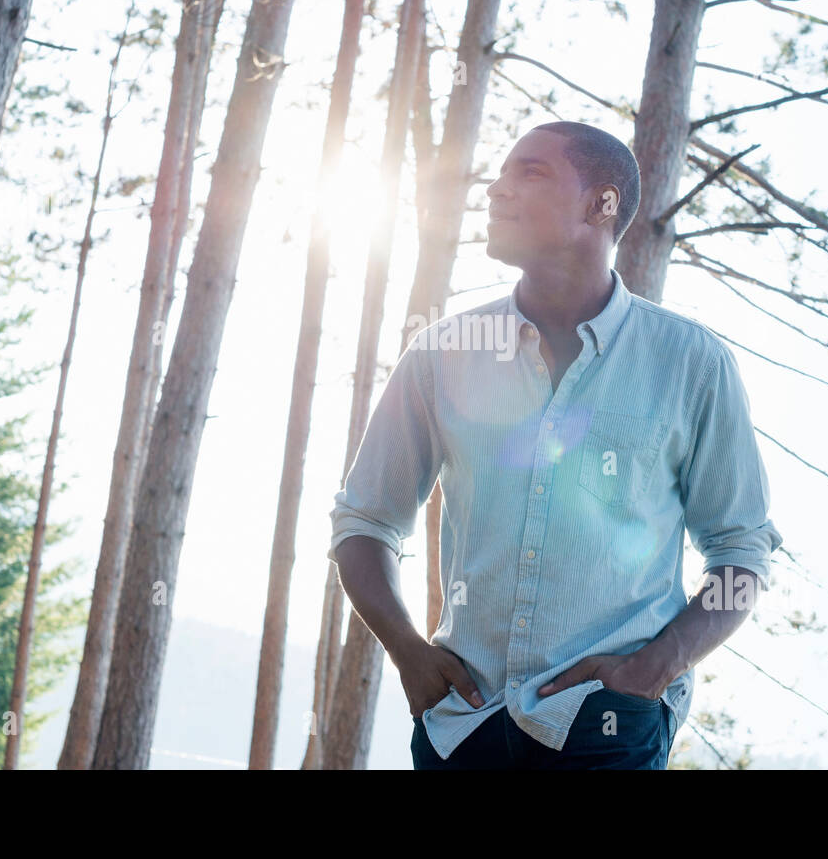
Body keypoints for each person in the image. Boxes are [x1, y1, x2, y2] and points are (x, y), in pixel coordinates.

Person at [329, 121, 783, 769]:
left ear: (602, 203)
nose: (497, 189)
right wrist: (407, 652)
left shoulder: (692, 362)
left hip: (608, 726)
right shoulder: (443, 352)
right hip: (463, 726)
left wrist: (652, 668)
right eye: (502, 172)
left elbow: (741, 549)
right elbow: (364, 519)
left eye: (530, 172)